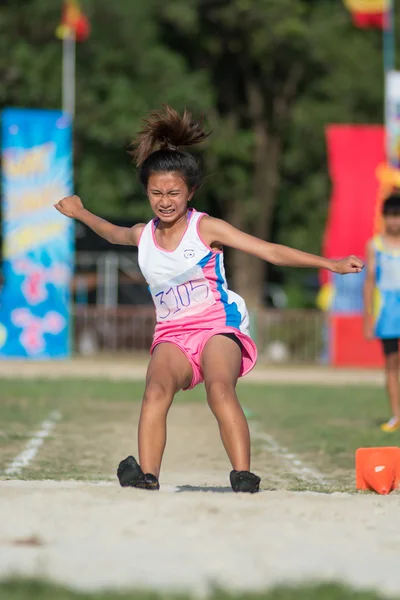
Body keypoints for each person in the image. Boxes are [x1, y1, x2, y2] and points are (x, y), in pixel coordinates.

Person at [54, 105, 364, 492]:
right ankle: (147, 476)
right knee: (155, 389)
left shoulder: (206, 228)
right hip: (173, 334)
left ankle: (243, 475)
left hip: (218, 326)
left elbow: (268, 251)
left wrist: (328, 263)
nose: (164, 201)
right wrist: (80, 211)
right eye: (156, 193)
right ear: (146, 191)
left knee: (219, 388)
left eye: (173, 193)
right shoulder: (142, 235)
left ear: (191, 192)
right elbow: (110, 232)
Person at [364, 192, 400, 432]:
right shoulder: (374, 245)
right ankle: (396, 416)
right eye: (391, 216)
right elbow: (369, 282)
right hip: (387, 310)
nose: (394, 221)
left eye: (398, 217)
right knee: (391, 363)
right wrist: (368, 317)